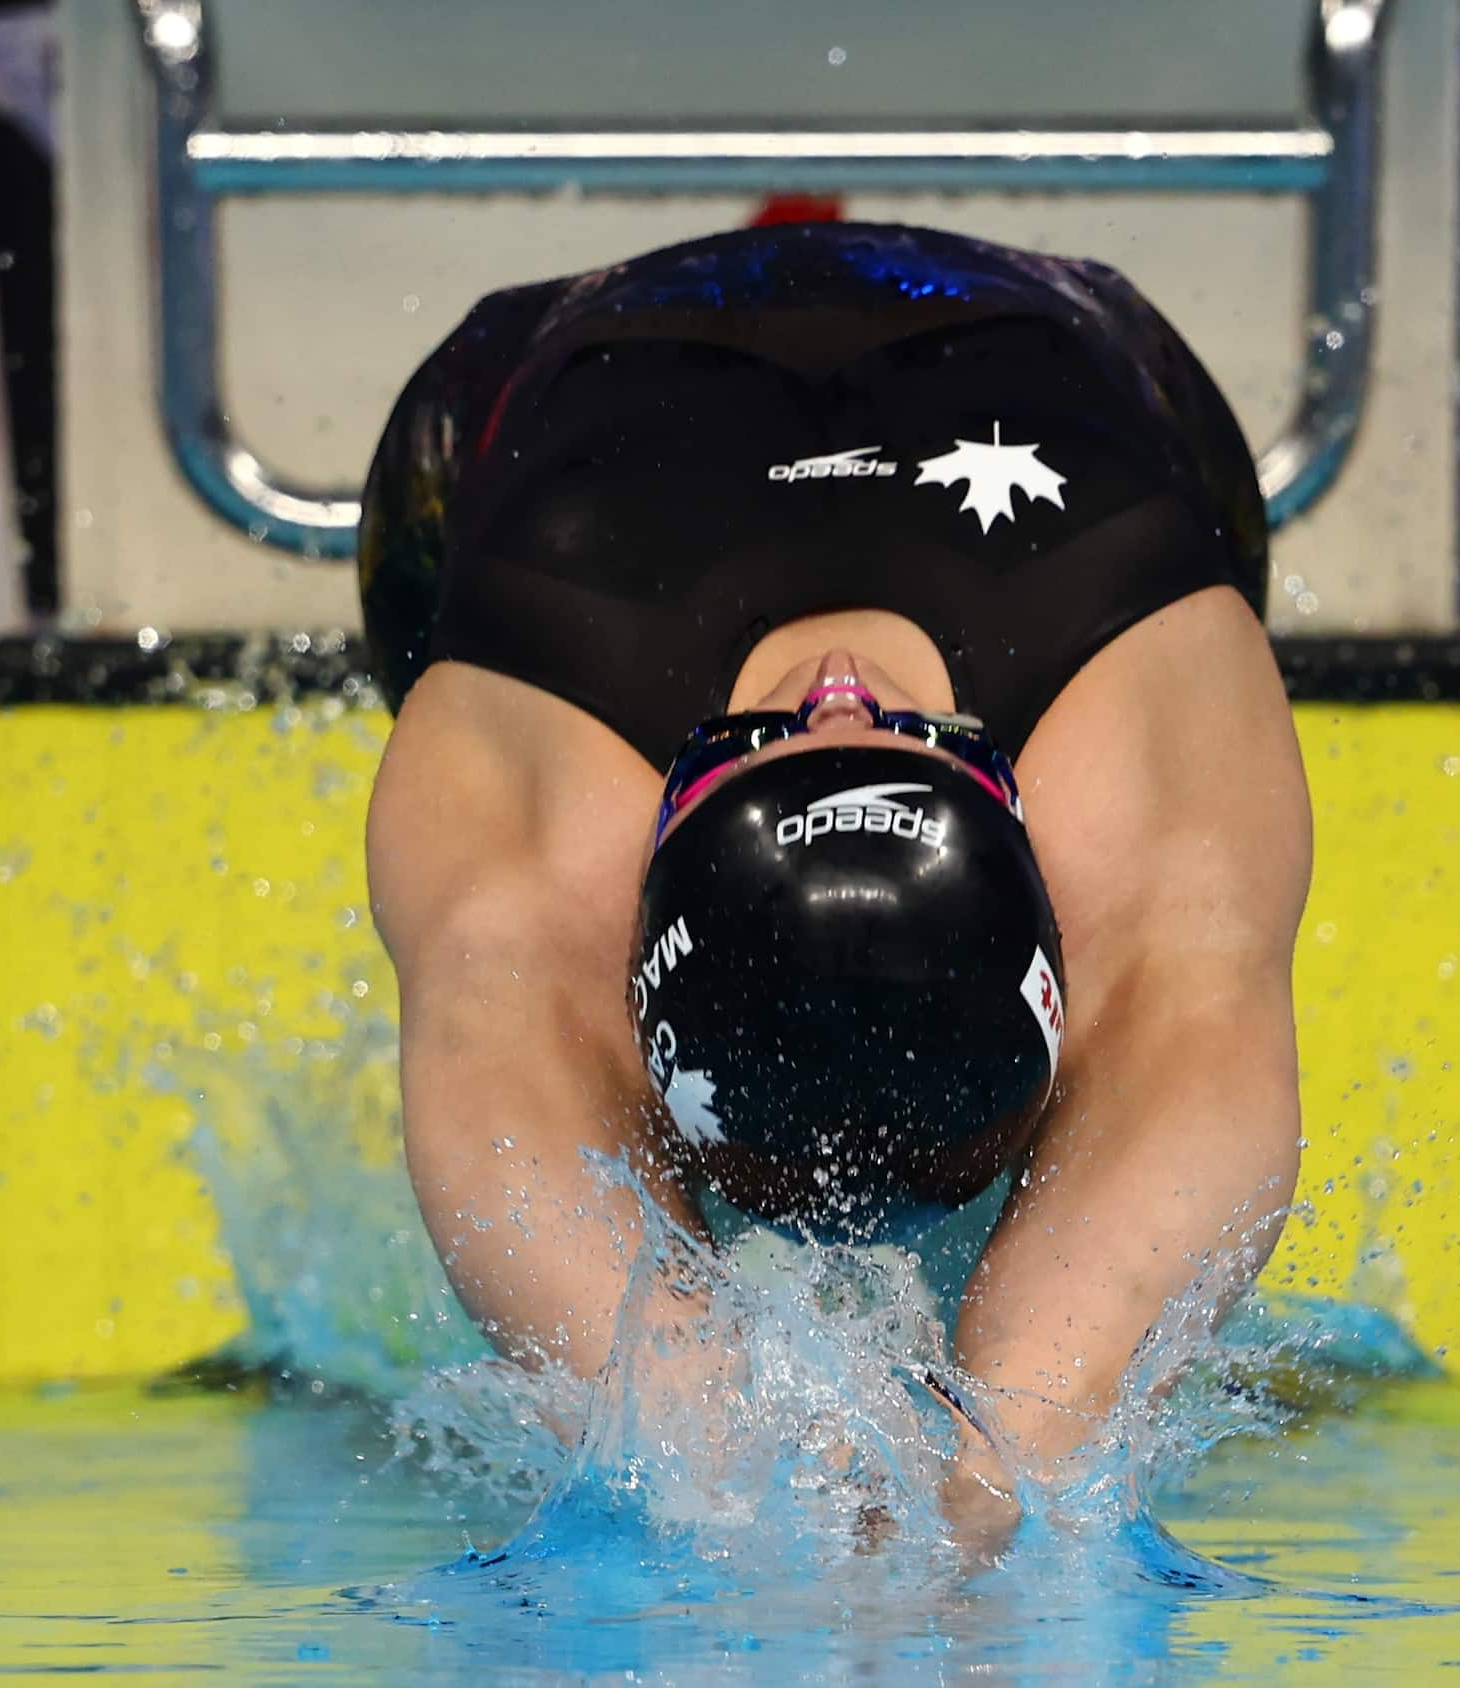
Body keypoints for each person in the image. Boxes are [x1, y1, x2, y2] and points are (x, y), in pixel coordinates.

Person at [358, 222, 1310, 1548]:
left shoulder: (530, 742)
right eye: (894, 737)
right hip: (1067, 370)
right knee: (1182, 988)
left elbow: (510, 1133)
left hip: (556, 425)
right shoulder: (1141, 685)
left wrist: (976, 1484)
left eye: (792, 742)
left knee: (503, 987)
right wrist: (736, 1466)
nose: (840, 692)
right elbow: (1174, 1118)